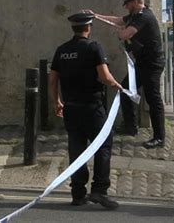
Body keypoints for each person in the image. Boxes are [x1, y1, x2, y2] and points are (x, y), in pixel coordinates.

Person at [49, 11, 122, 209]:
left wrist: (57, 101)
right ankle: (99, 190)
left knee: (77, 149)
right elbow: (105, 76)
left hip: (71, 108)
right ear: (88, 27)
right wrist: (119, 87)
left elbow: (52, 79)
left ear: (73, 28)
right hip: (92, 107)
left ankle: (77, 193)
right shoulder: (93, 47)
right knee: (103, 145)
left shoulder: (62, 50)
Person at [91, 0, 166, 149]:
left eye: (127, 4)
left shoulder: (144, 17)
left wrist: (120, 34)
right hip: (142, 63)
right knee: (125, 90)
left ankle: (159, 138)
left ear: (135, 2)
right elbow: (118, 20)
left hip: (152, 64)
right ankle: (130, 127)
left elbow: (125, 34)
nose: (126, 7)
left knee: (153, 100)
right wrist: (97, 16)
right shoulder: (136, 15)